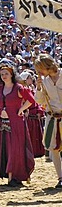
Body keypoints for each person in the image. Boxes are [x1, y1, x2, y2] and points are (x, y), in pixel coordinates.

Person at [0, 62, 35, 186]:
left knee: (15, 148)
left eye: (6, 74)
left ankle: (14, 176)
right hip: (2, 123)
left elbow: (31, 100)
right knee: (5, 147)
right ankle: (7, 173)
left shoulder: (18, 88)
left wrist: (21, 109)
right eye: (2, 74)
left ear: (11, 74)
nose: (4, 76)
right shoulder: (0, 89)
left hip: (16, 123)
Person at [34, 54, 62, 188]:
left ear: (47, 66)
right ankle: (60, 177)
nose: (39, 72)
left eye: (40, 69)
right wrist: (39, 88)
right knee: (54, 148)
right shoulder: (44, 82)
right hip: (52, 117)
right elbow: (39, 101)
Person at [19, 70, 45, 158]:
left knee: (36, 133)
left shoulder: (31, 89)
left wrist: (39, 111)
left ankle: (38, 151)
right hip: (28, 115)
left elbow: (37, 101)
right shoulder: (22, 90)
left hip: (34, 113)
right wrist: (25, 111)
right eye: (29, 78)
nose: (31, 79)